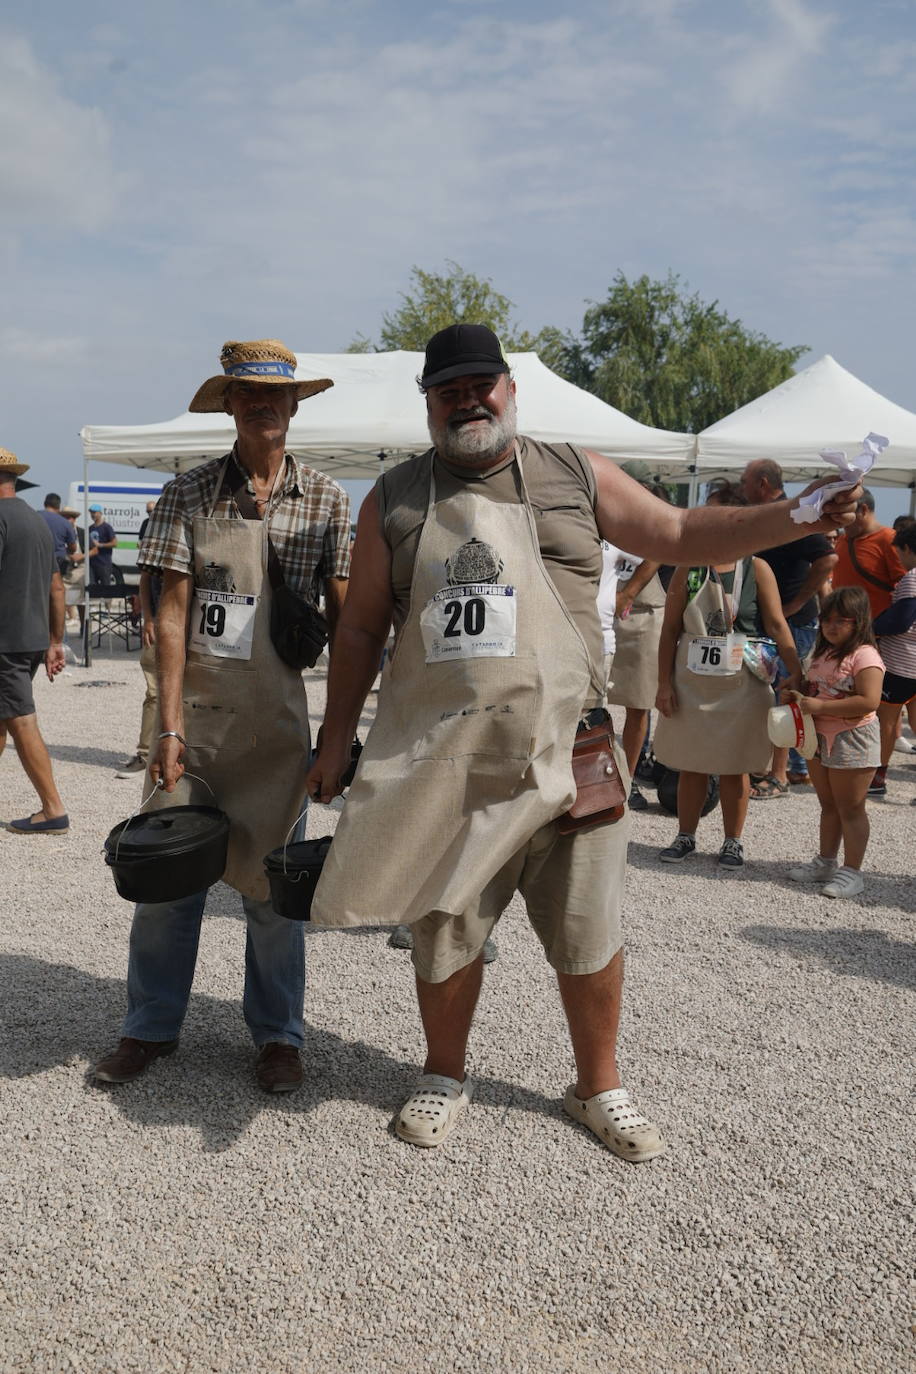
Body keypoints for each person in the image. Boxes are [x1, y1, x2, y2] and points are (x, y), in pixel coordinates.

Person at [304, 323, 862, 1161]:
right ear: (427, 402)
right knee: (445, 925)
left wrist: (792, 514)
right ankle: (444, 1073)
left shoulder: (573, 471)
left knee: (587, 931)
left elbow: (677, 535)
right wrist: (333, 740)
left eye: (480, 383)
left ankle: (597, 1085)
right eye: (447, 388)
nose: (467, 399)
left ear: (509, 389)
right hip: (448, 756)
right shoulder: (396, 498)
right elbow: (356, 632)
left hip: (574, 751)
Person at [93, 339, 350, 1092]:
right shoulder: (189, 495)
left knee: (275, 892)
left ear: (295, 405)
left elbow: (349, 621)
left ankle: (278, 1036)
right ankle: (149, 1026)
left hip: (278, 724)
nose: (264, 404)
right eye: (248, 393)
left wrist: (339, 737)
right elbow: (169, 620)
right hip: (196, 721)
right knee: (168, 880)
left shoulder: (329, 500)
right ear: (229, 404)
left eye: (276, 394)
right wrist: (166, 728)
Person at [653, 480, 802, 869]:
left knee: (738, 765)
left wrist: (797, 672)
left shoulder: (758, 568)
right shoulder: (689, 568)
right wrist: (662, 683)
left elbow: (777, 624)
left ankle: (733, 842)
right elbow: (669, 630)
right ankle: (685, 835)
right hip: (692, 681)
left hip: (743, 682)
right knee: (691, 762)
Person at [741, 459, 837, 794]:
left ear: (763, 483)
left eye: (746, 482)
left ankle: (778, 775)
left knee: (783, 692)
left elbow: (828, 557)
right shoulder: (772, 516)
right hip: (776, 620)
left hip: (792, 622)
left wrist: (795, 603)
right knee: (779, 691)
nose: (742, 488)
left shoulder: (792, 516)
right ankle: (794, 769)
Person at [786, 588, 883, 898]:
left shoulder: (865, 654)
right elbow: (815, 687)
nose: (832, 626)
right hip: (817, 737)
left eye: (842, 620)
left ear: (859, 622)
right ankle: (826, 861)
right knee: (828, 805)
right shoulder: (821, 652)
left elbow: (869, 701)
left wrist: (821, 707)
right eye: (827, 619)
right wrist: (796, 687)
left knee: (851, 808)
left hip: (852, 737)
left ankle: (853, 871)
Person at [0, 449, 69, 834]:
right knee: (3, 715)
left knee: (21, 720)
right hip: (30, 638)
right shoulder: (39, 521)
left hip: (4, 641)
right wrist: (55, 640)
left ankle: (53, 808)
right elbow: (56, 587)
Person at [606, 462, 670, 811]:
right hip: (603, 614)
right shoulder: (609, 514)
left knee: (638, 704)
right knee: (593, 703)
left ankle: (627, 779)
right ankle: (595, 771)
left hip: (644, 616)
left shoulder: (658, 515)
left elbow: (659, 552)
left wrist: (629, 592)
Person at [870, 522, 916, 796]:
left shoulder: (912, 578)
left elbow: (901, 620)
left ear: (908, 549)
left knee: (886, 720)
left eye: (899, 553)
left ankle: (878, 778)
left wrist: (872, 627)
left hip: (901, 663)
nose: (898, 559)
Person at [115, 569, 162, 777]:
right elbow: (145, 577)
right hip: (161, 621)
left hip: (191, 622)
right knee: (154, 692)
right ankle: (145, 754)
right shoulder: (154, 535)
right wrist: (149, 619)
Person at [831, 489, 904, 620]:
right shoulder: (842, 540)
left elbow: (907, 589)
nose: (841, 521)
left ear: (863, 510)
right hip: (842, 628)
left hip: (876, 632)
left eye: (844, 515)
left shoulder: (890, 539)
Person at [40, 492, 78, 576]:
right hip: (57, 564)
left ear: (44, 504)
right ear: (58, 506)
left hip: (37, 560)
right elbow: (73, 548)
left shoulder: (33, 516)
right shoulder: (65, 523)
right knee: (57, 588)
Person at [87, 504, 118, 585]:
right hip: (92, 563)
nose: (92, 514)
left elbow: (115, 543)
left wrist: (100, 545)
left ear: (100, 513)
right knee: (92, 587)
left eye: (94, 512)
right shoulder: (90, 528)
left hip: (104, 563)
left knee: (105, 588)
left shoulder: (107, 527)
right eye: (91, 513)